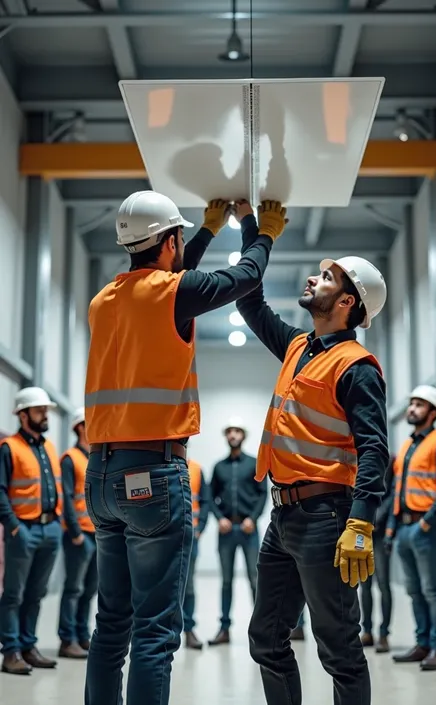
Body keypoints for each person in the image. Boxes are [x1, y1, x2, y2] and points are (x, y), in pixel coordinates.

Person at [83, 192, 288, 705]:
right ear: (171, 240)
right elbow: (243, 277)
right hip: (153, 474)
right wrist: (259, 232)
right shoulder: (171, 293)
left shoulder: (104, 299)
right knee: (154, 631)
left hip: (102, 477)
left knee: (112, 625)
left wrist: (204, 231)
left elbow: (166, 285)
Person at [236, 200, 389, 705]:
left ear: (347, 302)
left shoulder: (356, 366)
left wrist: (361, 523)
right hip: (283, 517)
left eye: (326, 278)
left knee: (339, 647)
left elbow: (374, 449)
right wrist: (252, 230)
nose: (313, 279)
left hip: (328, 518)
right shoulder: (300, 346)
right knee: (266, 639)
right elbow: (250, 305)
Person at [385, 386, 436, 671]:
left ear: (433, 412)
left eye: (419, 404)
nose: (412, 408)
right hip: (403, 528)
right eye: (412, 403)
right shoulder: (407, 445)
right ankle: (423, 643)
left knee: (431, 590)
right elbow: (398, 491)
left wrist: (426, 522)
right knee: (414, 590)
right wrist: (392, 529)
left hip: (425, 528)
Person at [0, 387, 63, 675]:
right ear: (23, 415)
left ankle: (28, 646)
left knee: (36, 593)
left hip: (50, 528)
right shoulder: (9, 447)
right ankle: (11, 651)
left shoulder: (48, 447)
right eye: (40, 411)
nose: (45, 415)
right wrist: (13, 527)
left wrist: (57, 522)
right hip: (23, 530)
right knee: (14, 594)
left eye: (46, 410)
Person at [208, 417, 267, 646]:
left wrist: (252, 518)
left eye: (237, 431)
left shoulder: (253, 464)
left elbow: (263, 493)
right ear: (226, 436)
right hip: (226, 530)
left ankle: (260, 630)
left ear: (243, 436)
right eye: (229, 431)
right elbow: (210, 496)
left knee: (255, 580)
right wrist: (219, 518)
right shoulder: (218, 467)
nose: (233, 435)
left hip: (248, 529)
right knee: (226, 581)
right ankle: (224, 629)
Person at [58, 407, 97, 659]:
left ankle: (82, 636)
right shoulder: (70, 458)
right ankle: (67, 639)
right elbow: (67, 499)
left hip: (96, 534)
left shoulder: (94, 457)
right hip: (79, 535)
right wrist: (75, 533)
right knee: (73, 588)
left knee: (90, 589)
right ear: (80, 427)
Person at [359, 455, 395, 652]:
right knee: (364, 584)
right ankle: (367, 631)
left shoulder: (390, 461)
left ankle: (384, 634)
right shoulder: (357, 459)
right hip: (362, 530)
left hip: (380, 533)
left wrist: (377, 518)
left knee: (383, 584)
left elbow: (393, 494)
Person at [183, 457, 210, 650]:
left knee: (188, 585)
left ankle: (189, 630)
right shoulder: (160, 463)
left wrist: (200, 527)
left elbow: (205, 500)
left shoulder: (196, 468)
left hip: (190, 536)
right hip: (164, 537)